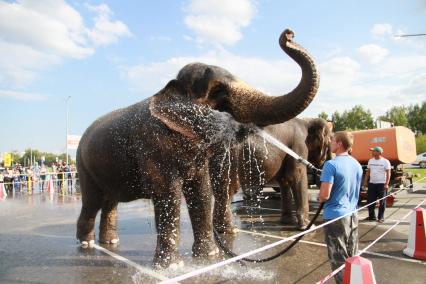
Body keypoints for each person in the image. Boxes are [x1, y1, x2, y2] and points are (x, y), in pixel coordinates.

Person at [319, 131, 363, 284]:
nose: (329, 143)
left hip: (335, 216)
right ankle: (355, 281)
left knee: (338, 258)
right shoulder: (356, 164)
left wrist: (320, 195)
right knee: (352, 253)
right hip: (352, 214)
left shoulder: (331, 165)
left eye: (332, 141)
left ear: (339, 144)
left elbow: (324, 195)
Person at [363, 146, 391, 223]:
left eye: (374, 151)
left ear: (379, 152)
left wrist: (386, 184)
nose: (372, 152)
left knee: (382, 202)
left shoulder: (385, 161)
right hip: (372, 183)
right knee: (370, 201)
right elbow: (368, 172)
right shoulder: (370, 161)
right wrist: (365, 181)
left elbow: (388, 173)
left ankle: (380, 217)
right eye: (372, 151)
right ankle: (372, 217)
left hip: (381, 184)